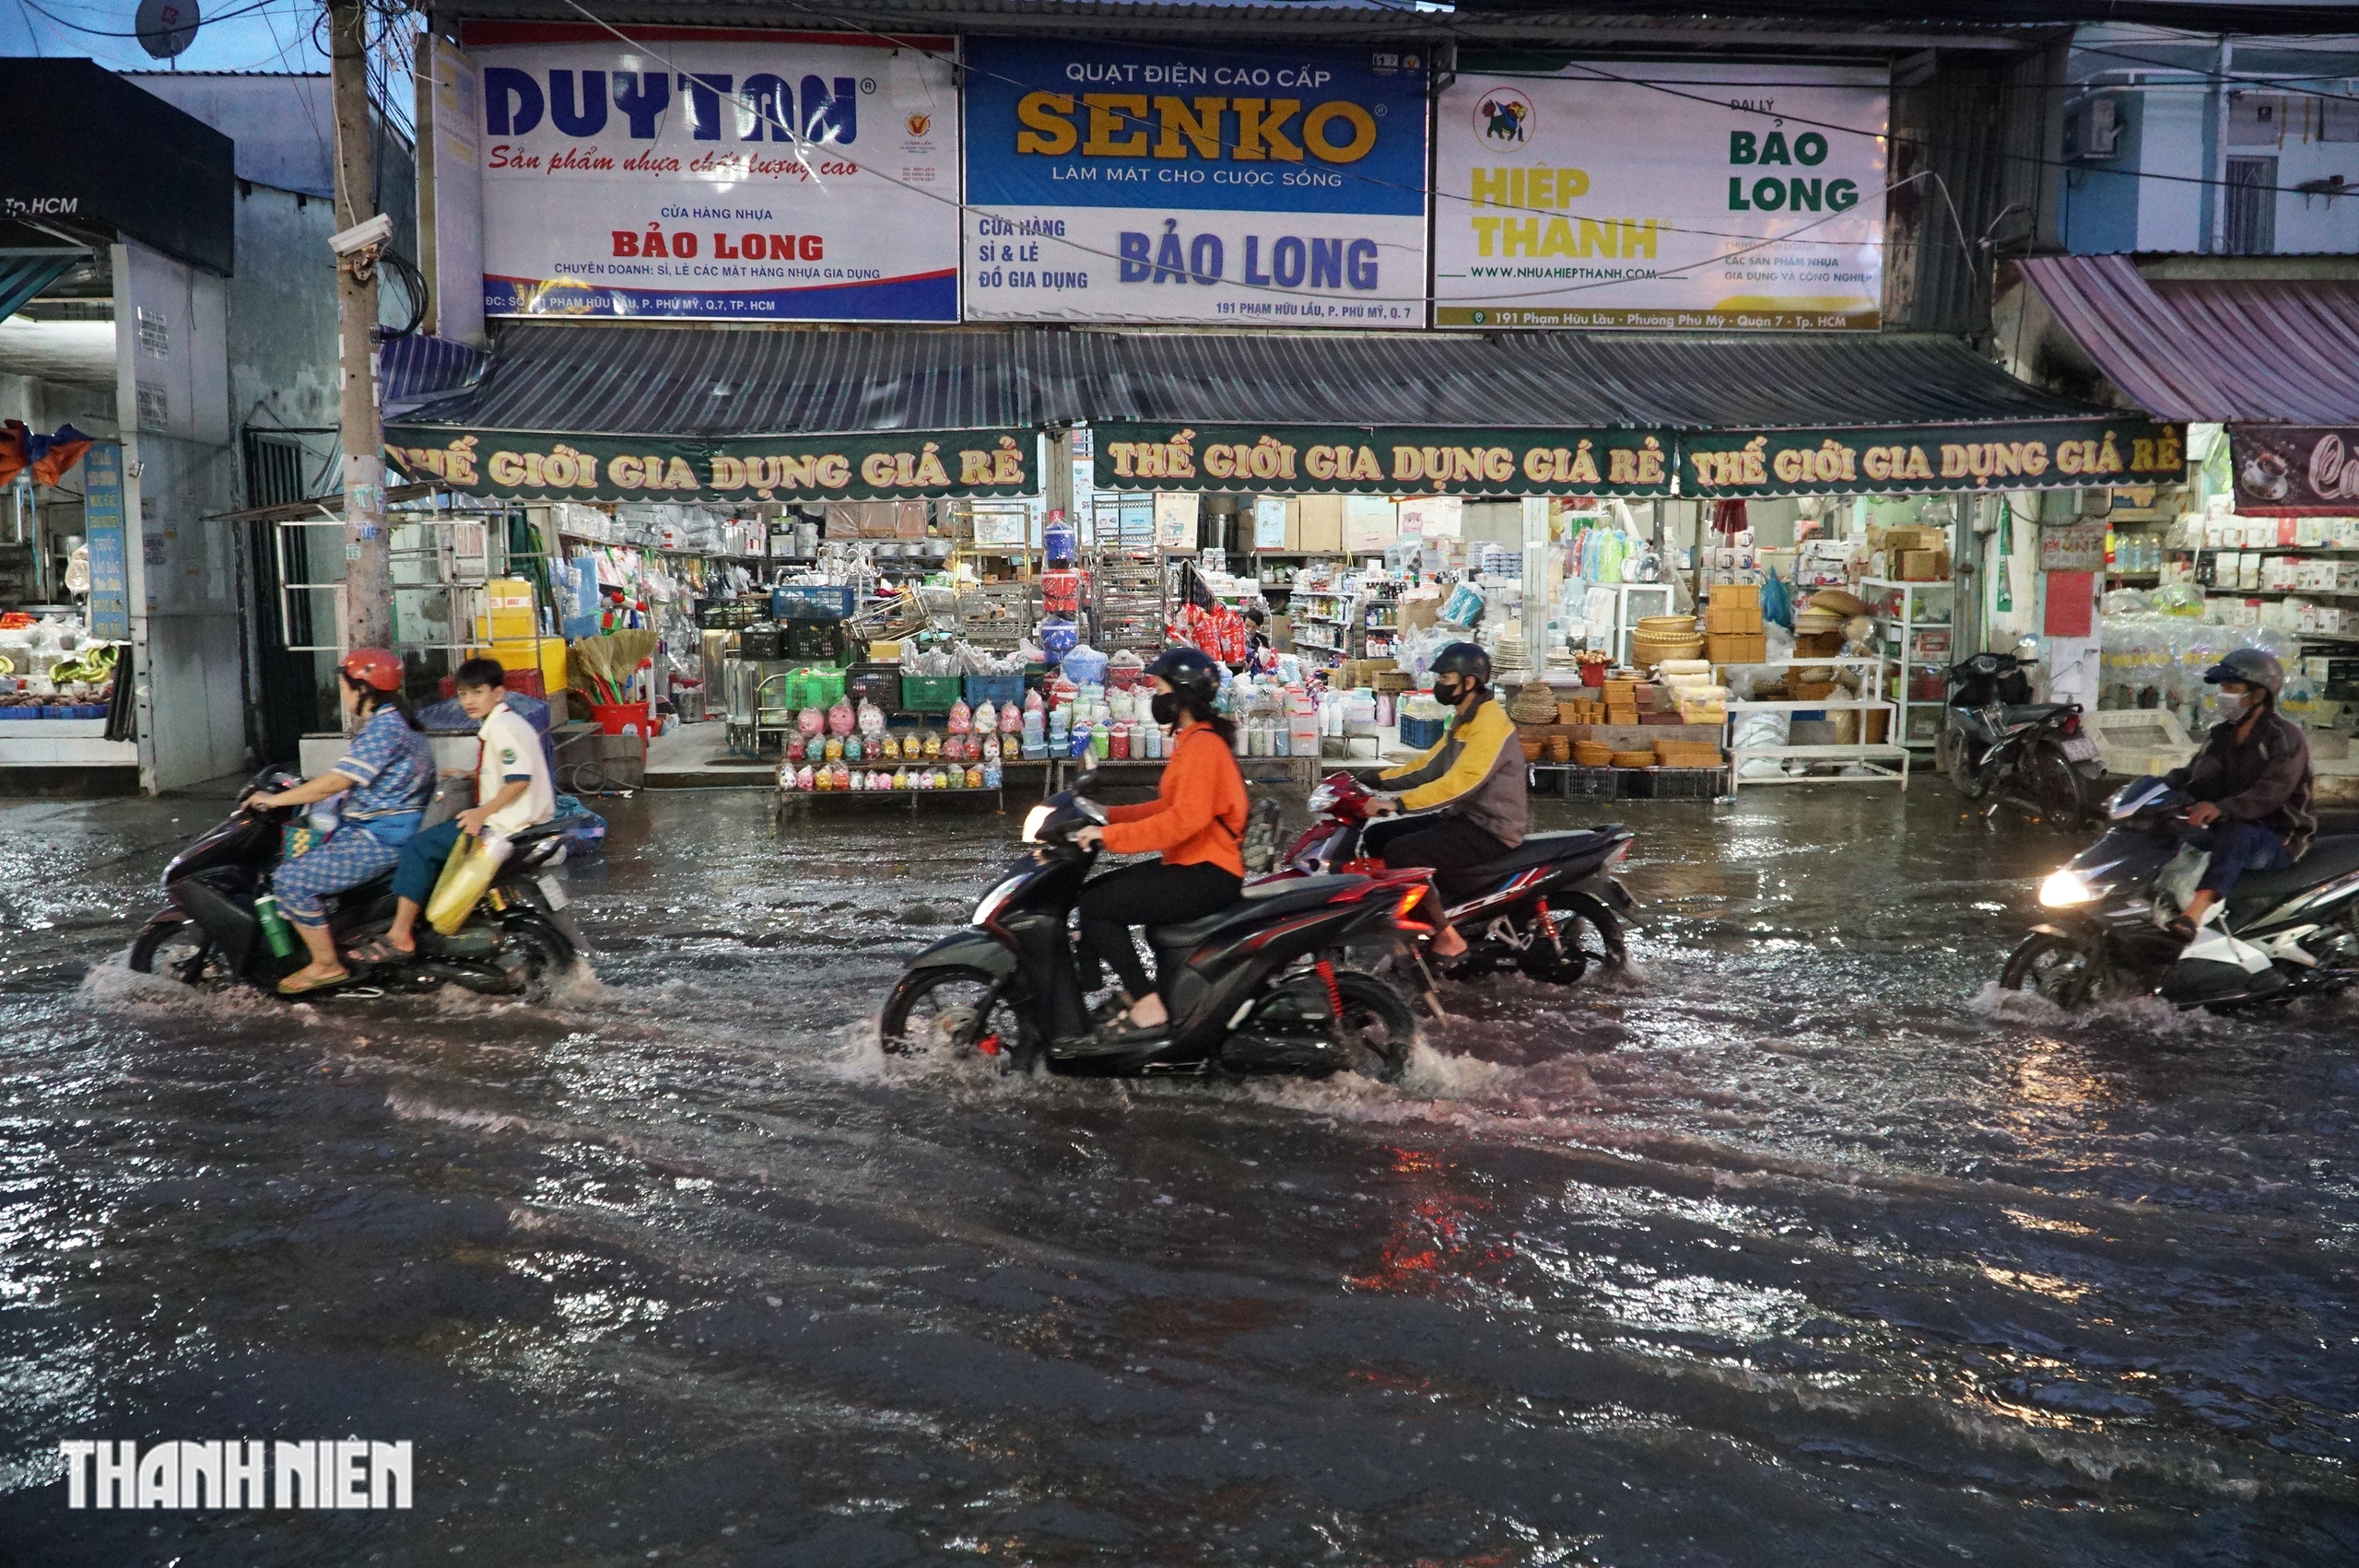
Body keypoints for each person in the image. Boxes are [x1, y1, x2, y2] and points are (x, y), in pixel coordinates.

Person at [1070, 646, 1249, 1038]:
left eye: (1161, 688)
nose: (1156, 697)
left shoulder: (1203, 747)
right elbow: (1167, 807)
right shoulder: (1194, 741)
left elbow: (1181, 822)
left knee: (1099, 906)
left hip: (1208, 872)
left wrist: (1109, 836)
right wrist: (1108, 815)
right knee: (1093, 892)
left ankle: (1147, 1004)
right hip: (1193, 863)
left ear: (1181, 696)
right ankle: (1109, 994)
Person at [247, 649, 435, 994]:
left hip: (379, 837)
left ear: (362, 690)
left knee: (290, 880)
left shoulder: (384, 729)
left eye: (344, 688)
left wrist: (275, 799)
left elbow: (339, 780)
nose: (342, 694)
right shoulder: (398, 721)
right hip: (389, 828)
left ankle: (326, 964)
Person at [359, 657, 558, 962]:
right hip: (525, 821)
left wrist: (480, 813)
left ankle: (399, 933)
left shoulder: (502, 729)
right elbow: (510, 771)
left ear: (499, 693)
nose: (468, 701)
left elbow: (518, 781)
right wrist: (470, 775)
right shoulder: (507, 723)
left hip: (506, 825)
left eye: (478, 692)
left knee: (419, 848)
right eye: (463, 694)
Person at [1363, 641, 1527, 960]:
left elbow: (1460, 783)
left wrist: (1399, 804)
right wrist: (1377, 779)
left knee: (1403, 851)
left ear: (1470, 682)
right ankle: (1402, 915)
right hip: (1464, 817)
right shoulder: (1464, 718)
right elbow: (1430, 766)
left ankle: (1446, 935)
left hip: (1491, 829)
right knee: (1376, 836)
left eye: (1446, 679)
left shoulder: (1491, 725)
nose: (1439, 685)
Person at [2165, 647, 2314, 939]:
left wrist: (2224, 808)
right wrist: (2152, 791)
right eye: (2222, 687)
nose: (2223, 693)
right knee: (2168, 834)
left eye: (2231, 687)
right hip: (2227, 823)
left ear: (2259, 693)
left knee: (2239, 835)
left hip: (2278, 836)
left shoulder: (2284, 736)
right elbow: (2194, 774)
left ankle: (2193, 914)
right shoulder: (2222, 734)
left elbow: (2274, 790)